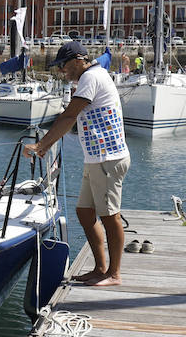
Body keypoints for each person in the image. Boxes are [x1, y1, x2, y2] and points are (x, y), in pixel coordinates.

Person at [23, 40, 131, 287]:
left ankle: (114, 274)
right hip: (96, 159)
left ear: (78, 61)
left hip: (108, 158)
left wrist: (41, 146)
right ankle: (100, 268)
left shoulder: (91, 77)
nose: (61, 70)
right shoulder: (91, 76)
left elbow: (70, 115)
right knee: (84, 211)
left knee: (110, 216)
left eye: (63, 64)